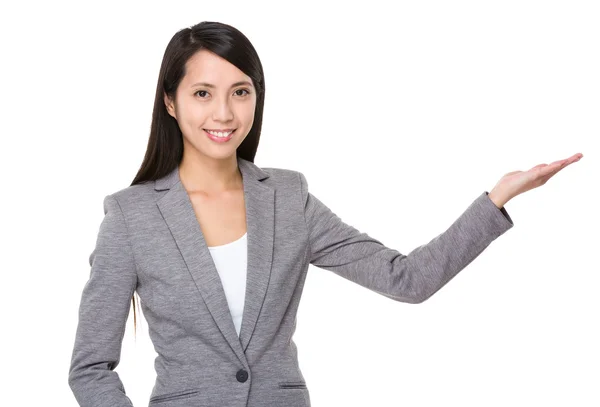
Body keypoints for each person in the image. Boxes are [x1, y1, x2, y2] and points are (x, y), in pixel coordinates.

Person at [67, 20, 583, 407]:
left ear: (256, 99)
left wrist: (495, 200)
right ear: (172, 103)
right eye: (203, 94)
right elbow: (90, 367)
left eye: (239, 93)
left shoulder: (288, 199)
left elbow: (407, 280)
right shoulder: (131, 216)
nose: (223, 114)